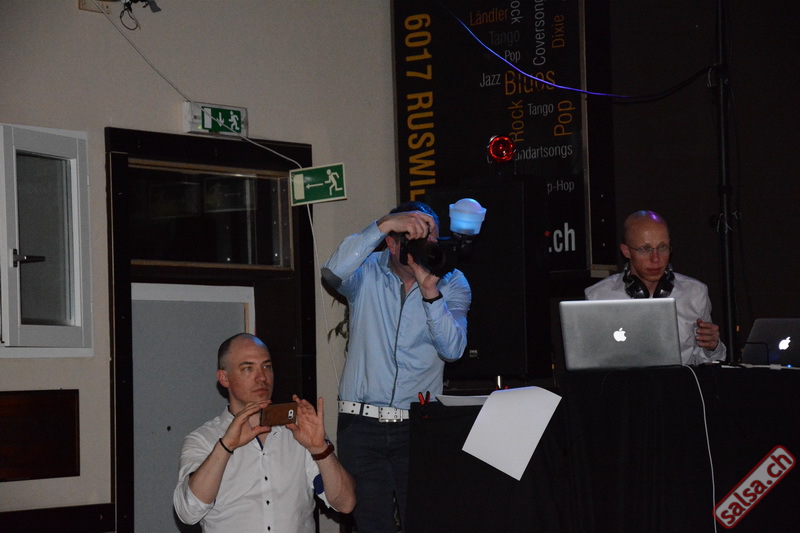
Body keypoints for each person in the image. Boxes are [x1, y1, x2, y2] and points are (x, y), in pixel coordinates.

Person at [321, 201, 471, 532]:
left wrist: (430, 293)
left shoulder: (452, 281)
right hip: (361, 424)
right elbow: (331, 272)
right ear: (392, 243)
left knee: (425, 521)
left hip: (418, 425)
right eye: (416, 238)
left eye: (432, 237)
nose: (427, 245)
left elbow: (453, 350)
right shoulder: (365, 271)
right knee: (370, 524)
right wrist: (383, 223)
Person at [173, 333, 356, 532]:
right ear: (224, 378)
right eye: (248, 368)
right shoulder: (203, 439)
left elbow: (345, 503)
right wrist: (225, 447)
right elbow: (188, 512)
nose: (261, 377)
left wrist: (320, 449)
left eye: (267, 366)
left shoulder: (298, 430)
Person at [585, 210, 726, 365]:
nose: (656, 259)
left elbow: (706, 364)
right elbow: (590, 363)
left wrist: (712, 348)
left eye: (662, 247)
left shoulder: (695, 293)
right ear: (626, 251)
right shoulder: (598, 297)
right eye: (645, 249)